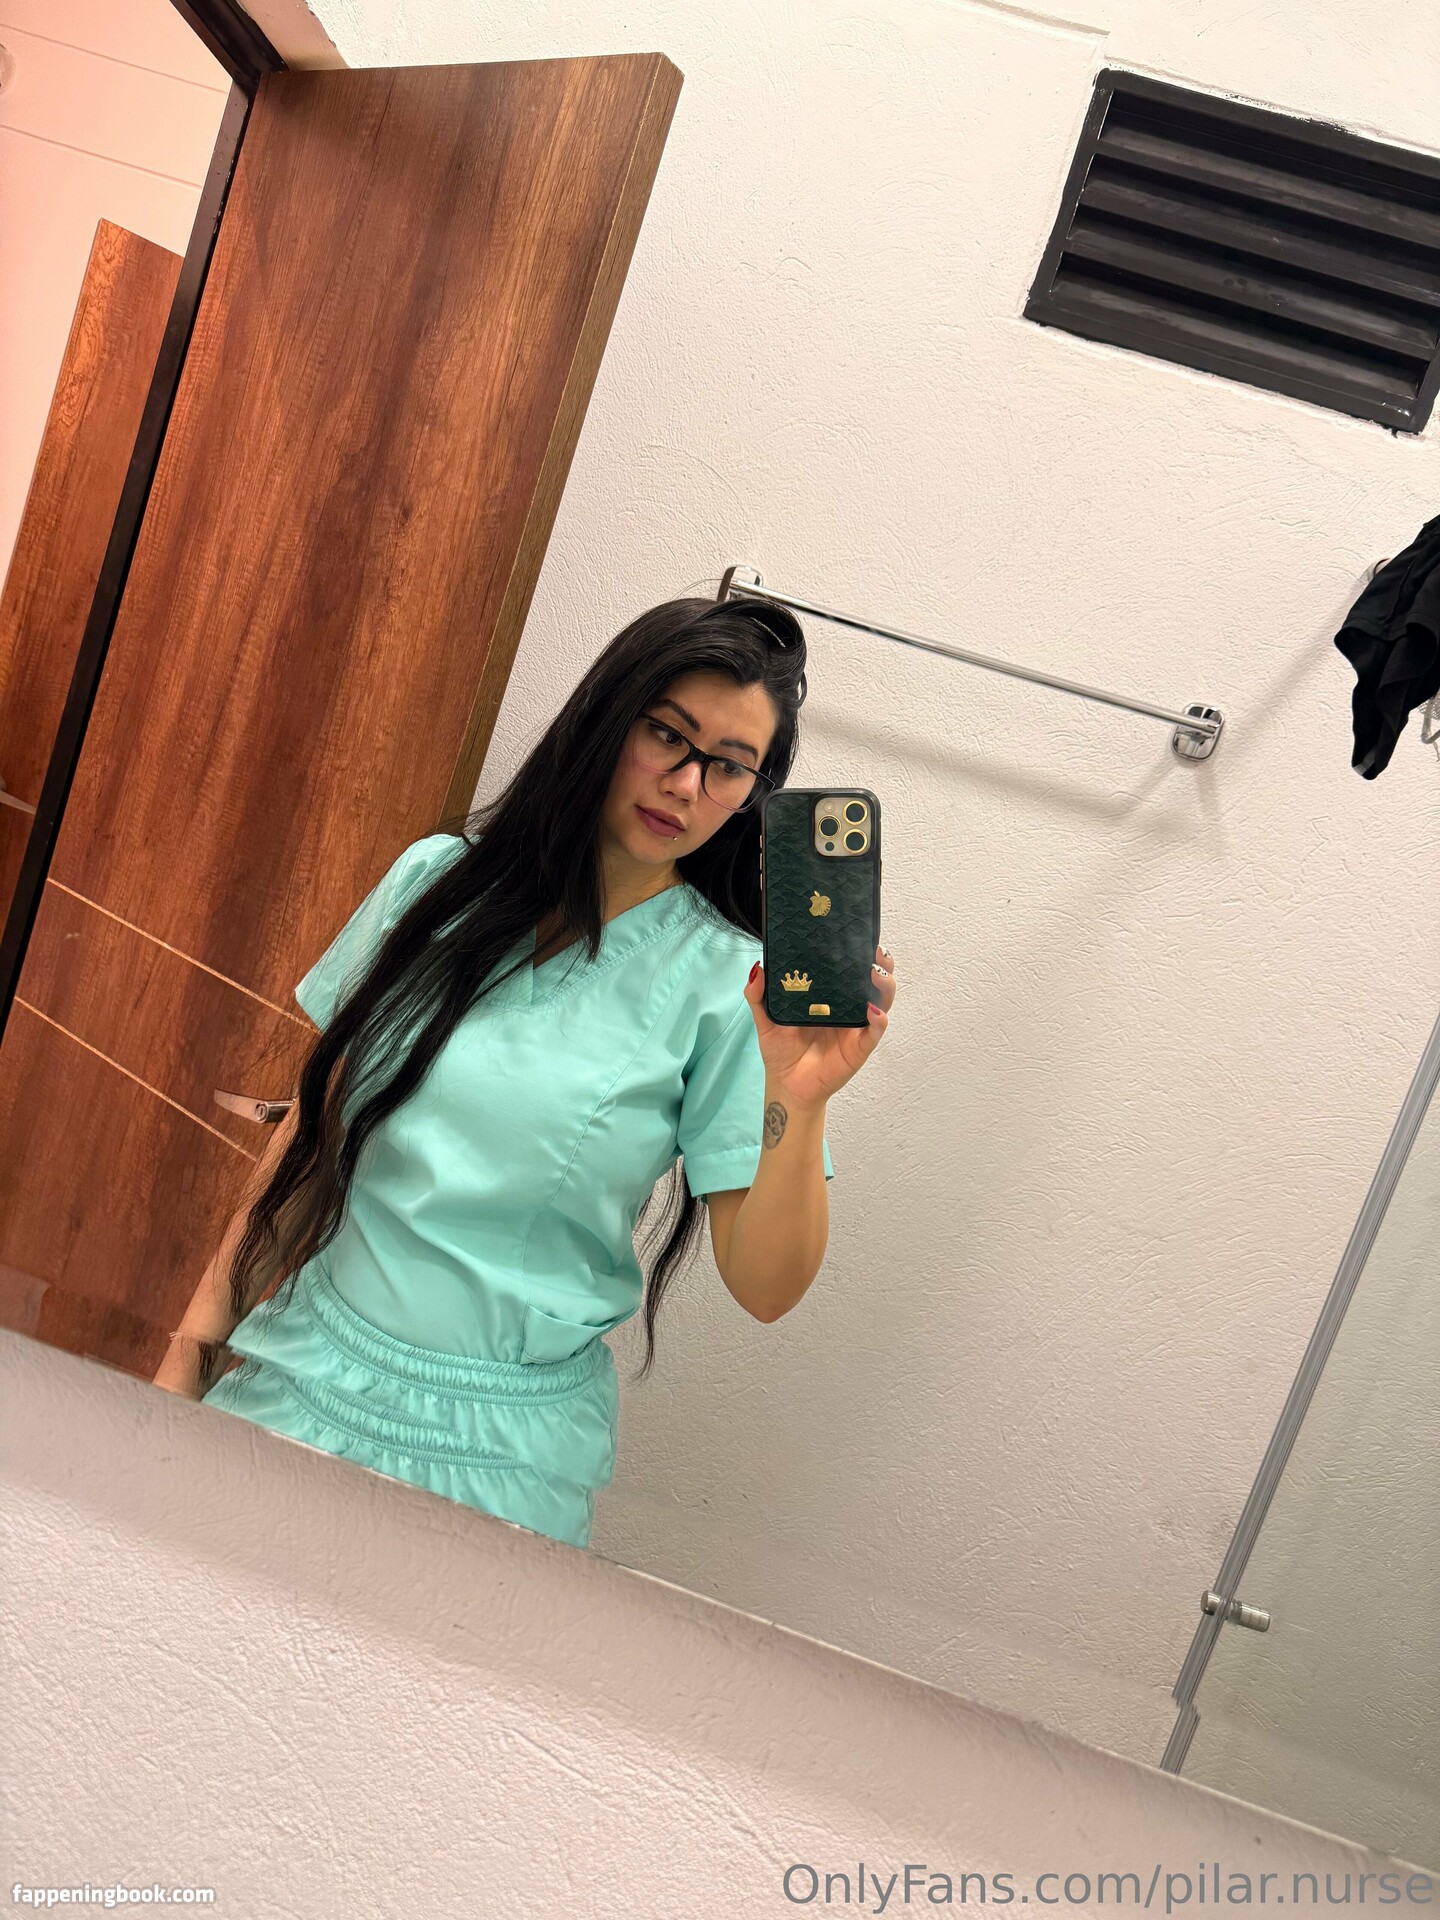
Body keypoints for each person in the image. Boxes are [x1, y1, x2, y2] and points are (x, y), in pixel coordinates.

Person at [153, 595, 897, 1548]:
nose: (685, 783)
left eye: (728, 765)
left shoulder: (730, 986)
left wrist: (800, 1099)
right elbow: (307, 1143)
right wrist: (188, 1358)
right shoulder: (435, 885)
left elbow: (767, 1286)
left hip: (500, 1457)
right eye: (668, 735)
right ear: (607, 715)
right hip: (298, 1372)